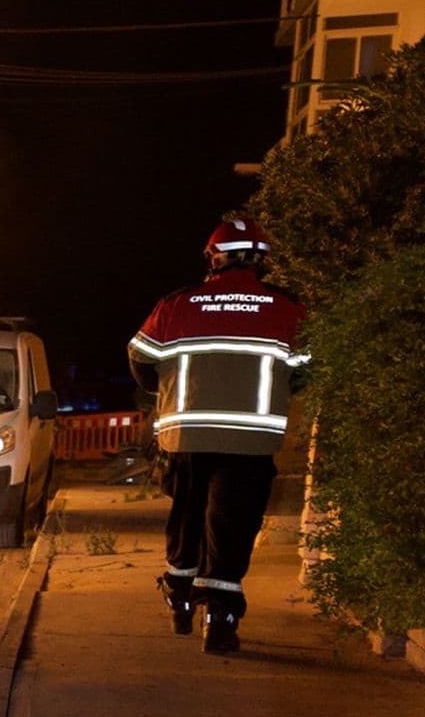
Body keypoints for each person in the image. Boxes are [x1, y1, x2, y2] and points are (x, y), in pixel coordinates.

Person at [127, 216, 308, 653]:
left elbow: (139, 359)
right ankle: (221, 619)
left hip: (185, 437)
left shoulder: (177, 304)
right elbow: (304, 372)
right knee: (231, 524)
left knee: (187, 517)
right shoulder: (289, 308)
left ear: (213, 257)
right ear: (262, 260)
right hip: (251, 440)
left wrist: (168, 393)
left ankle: (179, 596)